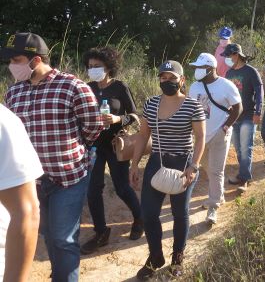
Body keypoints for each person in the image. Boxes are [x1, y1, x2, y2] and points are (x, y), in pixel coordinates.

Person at [2, 32, 103, 282]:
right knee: (48, 236)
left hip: (68, 178)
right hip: (31, 184)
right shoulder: (13, 94)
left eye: (15, 60)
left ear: (35, 60)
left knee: (63, 239)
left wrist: (72, 152)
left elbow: (93, 126)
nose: (11, 67)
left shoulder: (73, 86)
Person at [129, 61, 206, 279]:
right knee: (149, 213)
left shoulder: (193, 105)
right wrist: (134, 164)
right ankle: (155, 257)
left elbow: (200, 138)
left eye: (172, 78)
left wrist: (194, 165)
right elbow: (143, 135)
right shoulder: (151, 104)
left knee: (180, 214)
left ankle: (177, 258)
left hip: (184, 164)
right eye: (163, 77)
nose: (167, 81)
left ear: (182, 80)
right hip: (157, 162)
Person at [81, 47, 143, 255]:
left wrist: (118, 119)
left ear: (109, 66)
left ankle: (139, 217)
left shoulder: (120, 87)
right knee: (93, 189)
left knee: (121, 187)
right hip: (94, 145)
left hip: (116, 144)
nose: (93, 70)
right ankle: (100, 233)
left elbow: (135, 115)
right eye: (90, 67)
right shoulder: (86, 87)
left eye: (97, 66)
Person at [188, 53, 242, 226]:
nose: (196, 70)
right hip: (200, 137)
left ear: (210, 69)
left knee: (216, 171)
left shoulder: (226, 85)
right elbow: (189, 109)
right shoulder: (194, 87)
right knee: (208, 169)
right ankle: (218, 196)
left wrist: (225, 127)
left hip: (220, 134)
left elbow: (237, 108)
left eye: (200, 68)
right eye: (196, 67)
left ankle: (213, 207)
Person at [0, 104, 44, 282]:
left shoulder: (4, 122)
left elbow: (26, 212)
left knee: (61, 240)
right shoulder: (14, 92)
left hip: (65, 176)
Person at [222, 44, 263, 192]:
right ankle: (242, 174)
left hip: (248, 115)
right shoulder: (228, 73)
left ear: (236, 55)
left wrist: (258, 112)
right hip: (234, 118)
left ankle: (244, 179)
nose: (227, 59)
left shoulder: (251, 71)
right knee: (239, 149)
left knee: (246, 148)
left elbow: (259, 92)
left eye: (228, 56)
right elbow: (225, 95)